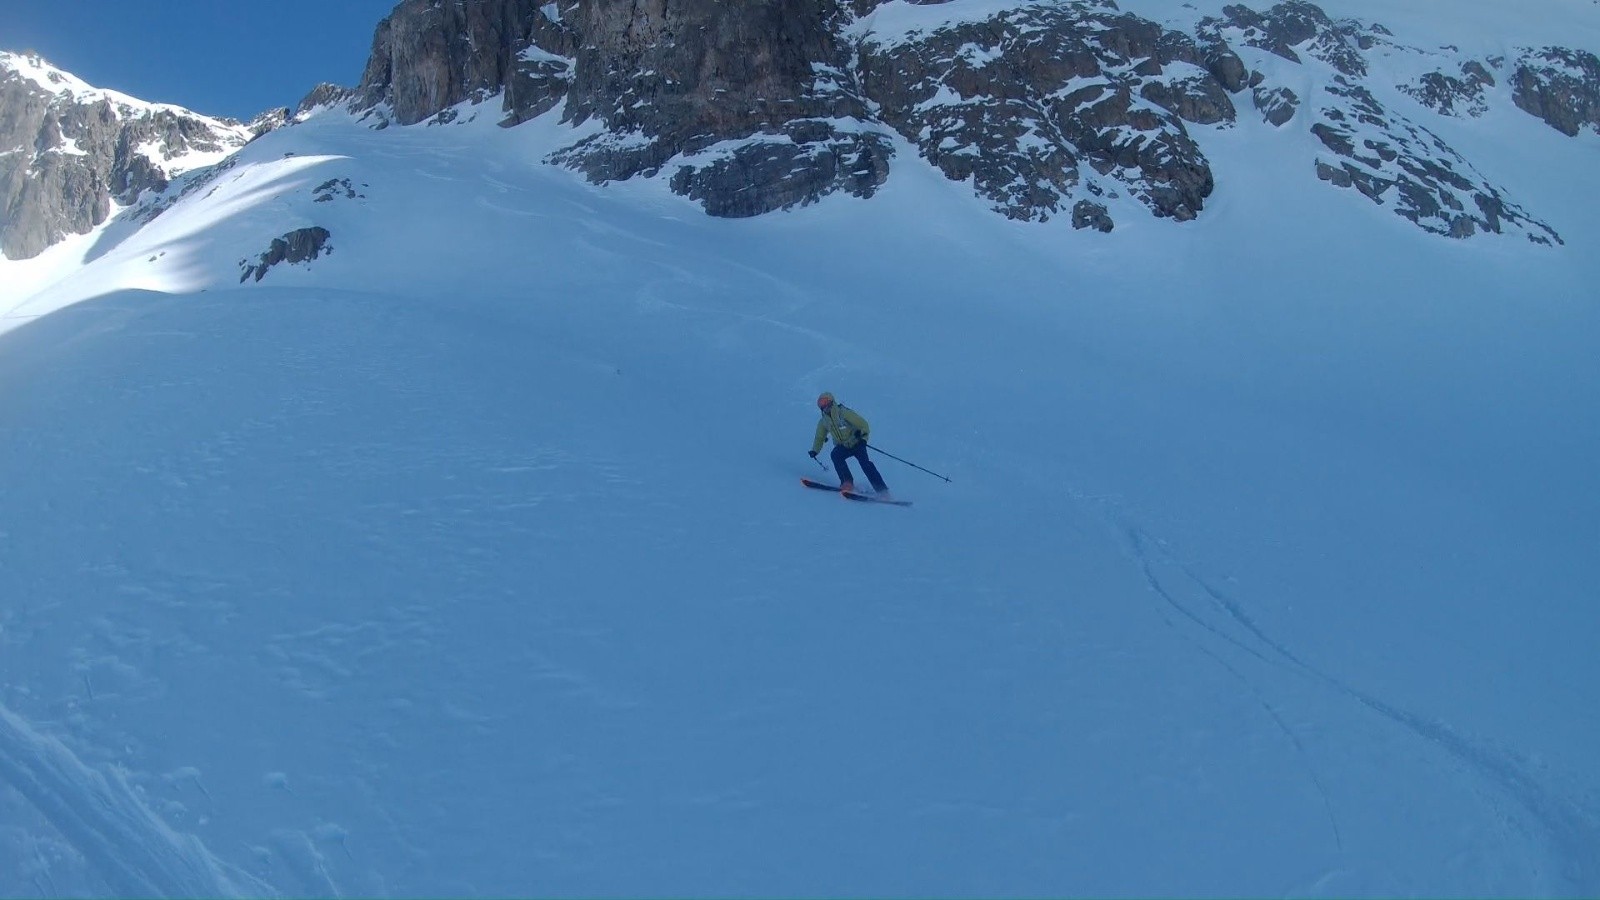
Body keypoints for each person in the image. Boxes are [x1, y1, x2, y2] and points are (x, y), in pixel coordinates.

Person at [809, 392, 890, 497]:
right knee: (836, 455)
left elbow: (863, 424)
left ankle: (882, 490)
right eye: (820, 404)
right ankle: (847, 482)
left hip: (857, 443)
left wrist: (862, 438)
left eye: (824, 402)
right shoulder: (824, 421)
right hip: (843, 446)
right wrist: (815, 450)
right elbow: (819, 437)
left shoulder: (843, 413)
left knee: (866, 464)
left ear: (831, 401)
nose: (823, 406)